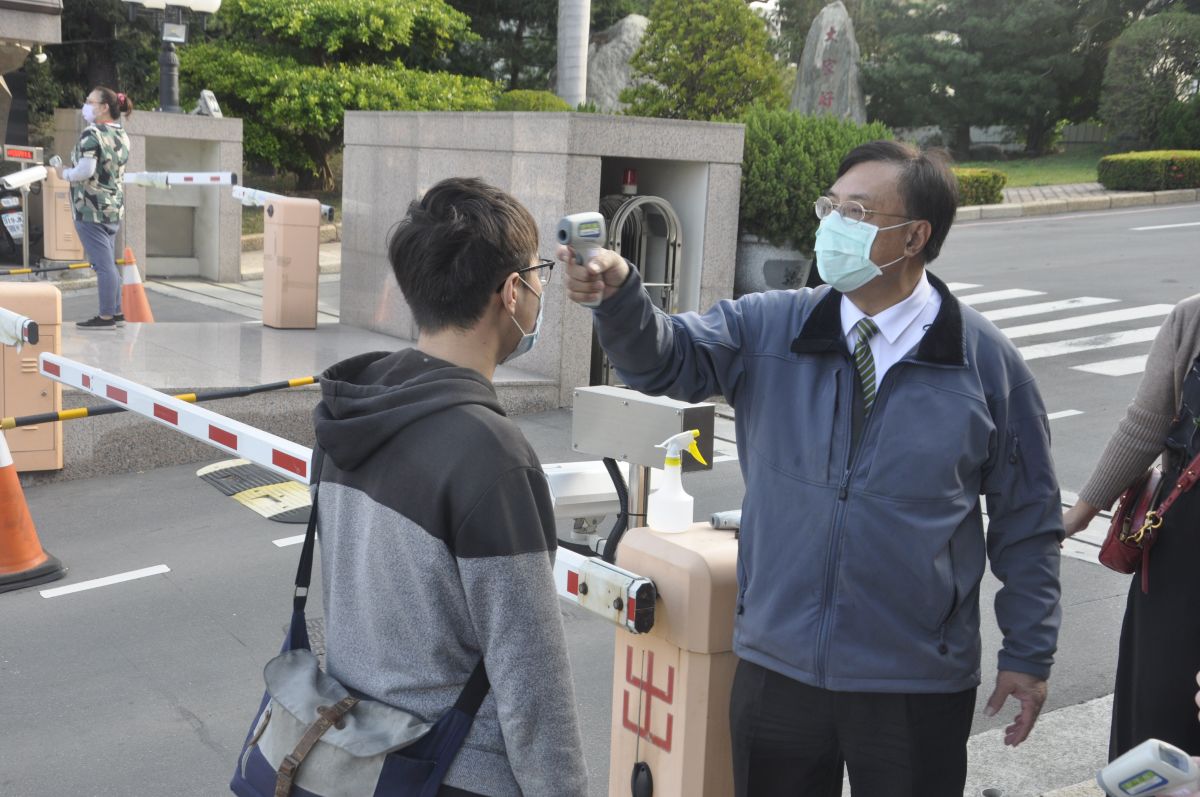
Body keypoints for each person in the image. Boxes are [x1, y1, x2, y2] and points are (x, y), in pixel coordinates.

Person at [561, 141, 1064, 797]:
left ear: (913, 236)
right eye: (831, 205)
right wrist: (621, 295)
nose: (832, 224)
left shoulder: (985, 364)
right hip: (780, 666)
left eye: (855, 212)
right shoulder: (774, 326)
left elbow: (1029, 518)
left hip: (912, 679)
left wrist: (1029, 652)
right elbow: (665, 360)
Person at [312, 177, 587, 796]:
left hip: (356, 759)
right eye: (539, 274)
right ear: (511, 292)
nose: (541, 290)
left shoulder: (350, 410)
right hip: (453, 772)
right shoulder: (490, 456)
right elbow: (532, 680)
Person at [1064, 294, 1200, 762]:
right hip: (1179, 555)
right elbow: (1146, 424)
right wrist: (1078, 514)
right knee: (1159, 711)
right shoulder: (1192, 318)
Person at [55, 86, 132, 330]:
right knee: (108, 261)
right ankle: (117, 311)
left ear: (104, 107)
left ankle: (106, 316)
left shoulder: (92, 134)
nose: (85, 105)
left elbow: (86, 171)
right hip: (113, 208)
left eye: (90, 101)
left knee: (103, 265)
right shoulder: (122, 134)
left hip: (90, 208)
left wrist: (63, 173)